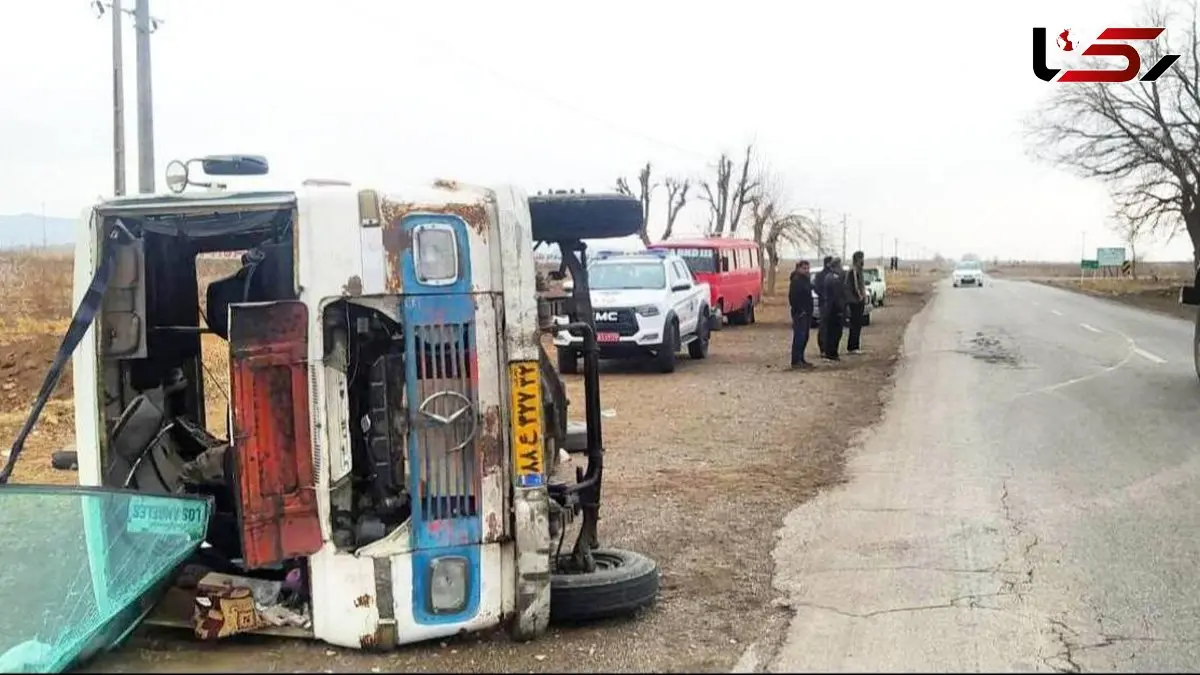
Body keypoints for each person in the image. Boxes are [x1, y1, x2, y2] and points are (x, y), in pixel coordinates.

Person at [787, 260, 815, 369]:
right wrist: (800, 311)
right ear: (798, 268)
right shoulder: (796, 280)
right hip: (800, 313)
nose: (806, 270)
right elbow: (793, 298)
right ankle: (796, 360)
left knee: (805, 337)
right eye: (804, 268)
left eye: (808, 268)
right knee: (799, 336)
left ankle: (801, 358)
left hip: (807, 312)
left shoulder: (805, 280)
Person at [820, 257, 848, 361]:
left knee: (835, 332)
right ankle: (831, 353)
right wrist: (840, 308)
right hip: (834, 309)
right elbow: (837, 295)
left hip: (832, 307)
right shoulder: (833, 278)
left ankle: (832, 352)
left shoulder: (832, 277)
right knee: (834, 332)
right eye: (840, 265)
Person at [845, 250, 868, 355]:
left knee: (858, 324)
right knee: (855, 324)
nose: (863, 260)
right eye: (861, 258)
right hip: (855, 301)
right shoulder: (853, 271)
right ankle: (852, 346)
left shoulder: (860, 270)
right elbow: (855, 286)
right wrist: (860, 296)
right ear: (857, 259)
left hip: (859, 300)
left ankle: (855, 346)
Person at [812, 256, 833, 355]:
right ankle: (823, 348)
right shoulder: (821, 275)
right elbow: (816, 288)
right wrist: (823, 295)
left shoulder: (832, 274)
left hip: (831, 303)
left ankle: (829, 348)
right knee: (824, 326)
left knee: (830, 326)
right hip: (824, 303)